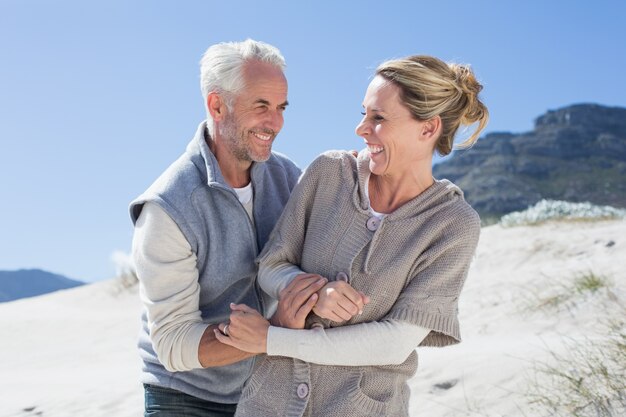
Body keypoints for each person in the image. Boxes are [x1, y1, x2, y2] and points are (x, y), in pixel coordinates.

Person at [214, 55, 489, 417]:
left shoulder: (451, 224)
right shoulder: (329, 173)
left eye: (378, 118)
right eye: (363, 113)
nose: (361, 128)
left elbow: (393, 343)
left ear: (427, 129)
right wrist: (311, 291)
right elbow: (271, 265)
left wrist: (271, 339)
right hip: (268, 405)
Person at [129, 39, 327, 417]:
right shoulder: (168, 208)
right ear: (217, 106)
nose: (276, 123)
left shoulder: (288, 178)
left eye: (281, 108)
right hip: (186, 397)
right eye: (261, 107)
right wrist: (274, 330)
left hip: (268, 389)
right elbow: (173, 345)